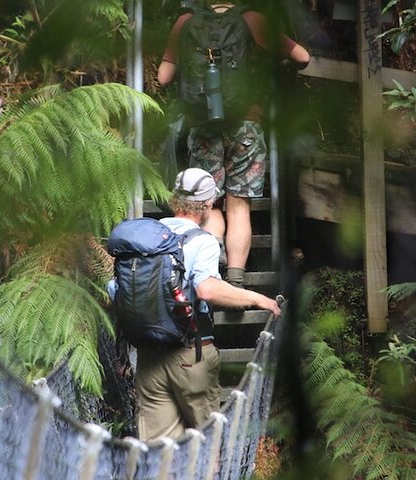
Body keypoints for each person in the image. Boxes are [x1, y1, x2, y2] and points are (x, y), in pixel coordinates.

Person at [111, 167, 281, 441]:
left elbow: (115, 288)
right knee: (205, 447)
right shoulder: (204, 242)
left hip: (148, 356)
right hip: (191, 354)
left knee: (159, 452)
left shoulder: (148, 237)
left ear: (175, 200)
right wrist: (258, 299)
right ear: (207, 205)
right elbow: (206, 289)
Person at [157, 2, 311, 288]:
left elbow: (163, 77)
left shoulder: (185, 22)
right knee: (239, 205)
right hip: (246, 127)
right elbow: (303, 56)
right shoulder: (253, 20)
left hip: (202, 127)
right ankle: (237, 279)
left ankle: (211, 265)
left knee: (210, 202)